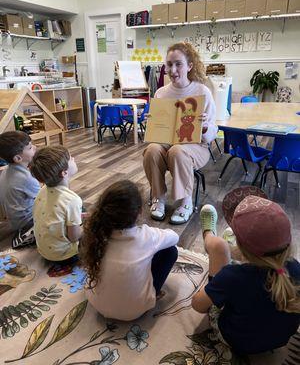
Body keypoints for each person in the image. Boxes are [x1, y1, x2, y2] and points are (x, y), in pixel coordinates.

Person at [192, 192, 300, 355]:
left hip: (235, 340)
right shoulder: (296, 269)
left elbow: (198, 305)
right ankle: (221, 243)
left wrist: (216, 284)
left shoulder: (232, 276)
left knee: (219, 248)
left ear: (241, 249)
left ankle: (209, 234)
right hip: (279, 340)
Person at [80, 180, 179, 321]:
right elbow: (174, 237)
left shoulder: (96, 234)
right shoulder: (147, 235)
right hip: (134, 311)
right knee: (170, 251)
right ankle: (151, 294)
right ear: (139, 212)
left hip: (97, 304)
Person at [143, 41, 217, 224]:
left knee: (178, 150)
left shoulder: (202, 92)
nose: (173, 69)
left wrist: (205, 127)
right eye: (169, 64)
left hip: (196, 146)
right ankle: (158, 197)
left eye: (178, 64)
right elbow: (156, 135)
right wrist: (150, 124)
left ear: (189, 66)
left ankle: (186, 202)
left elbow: (213, 132)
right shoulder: (161, 93)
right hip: (167, 144)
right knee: (152, 149)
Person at [30, 146, 82, 267]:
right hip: (63, 256)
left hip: (43, 250)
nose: (73, 158)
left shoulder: (42, 190)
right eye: (71, 158)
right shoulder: (72, 200)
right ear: (64, 172)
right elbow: (74, 238)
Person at [0, 131, 40, 248]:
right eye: (30, 147)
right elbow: (45, 199)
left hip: (14, 220)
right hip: (26, 221)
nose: (35, 148)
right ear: (18, 158)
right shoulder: (26, 179)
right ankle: (27, 234)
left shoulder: (6, 170)